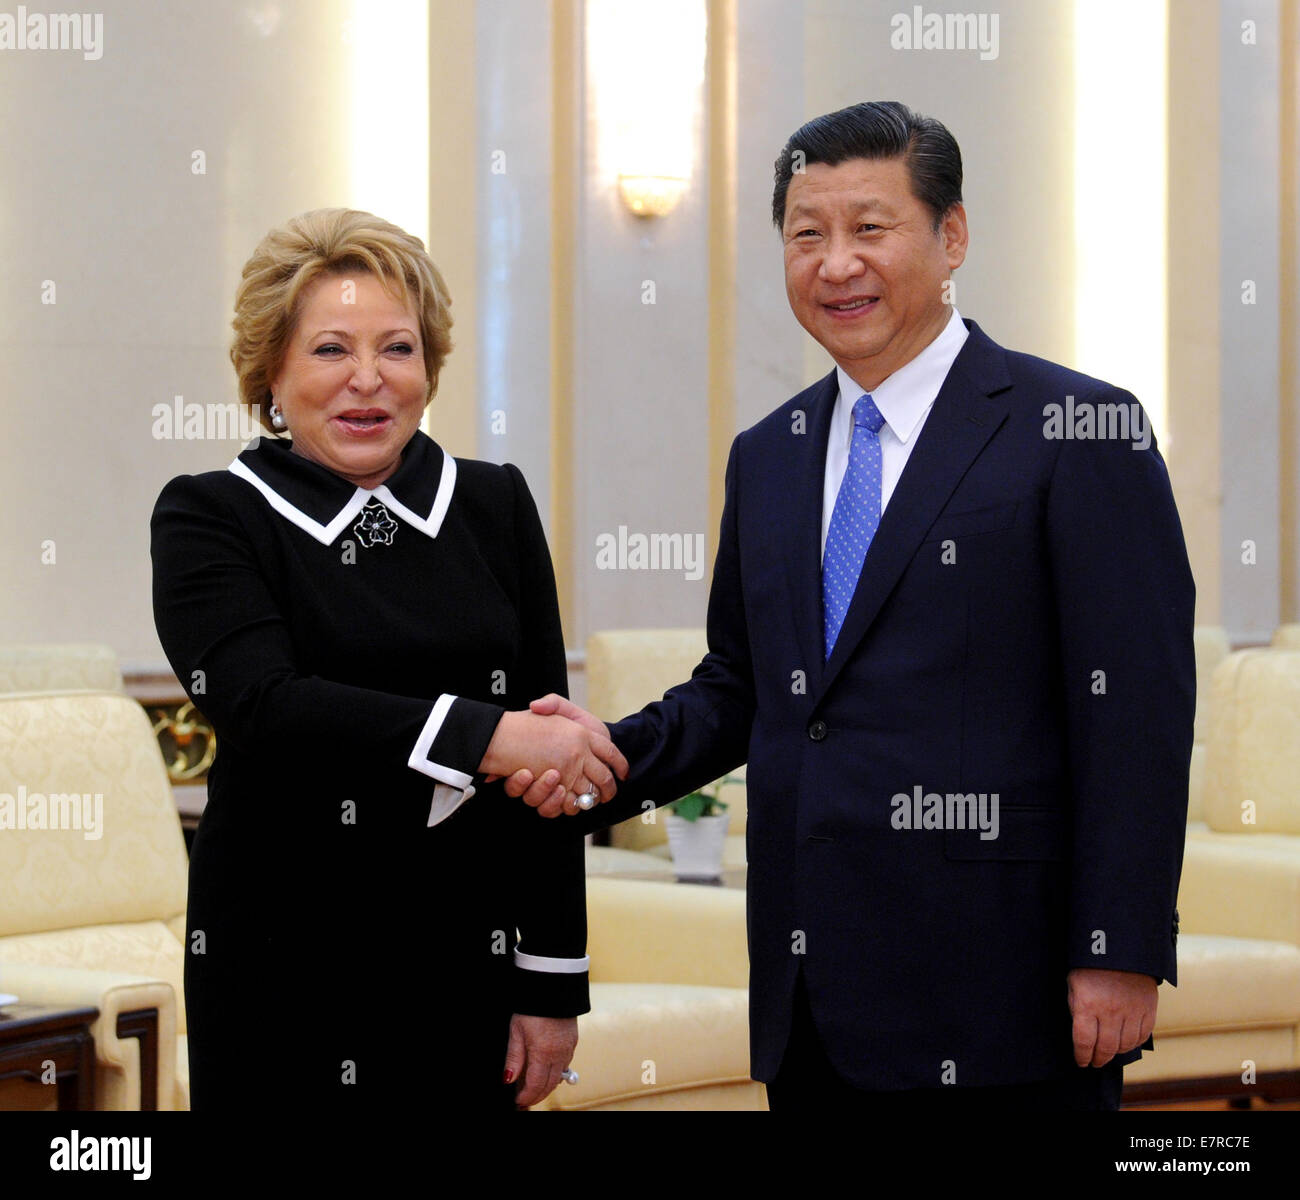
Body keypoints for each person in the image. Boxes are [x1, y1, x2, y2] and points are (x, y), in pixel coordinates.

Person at [510, 101, 1195, 1111]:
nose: (835, 265)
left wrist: (1118, 947)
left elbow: (1135, 709)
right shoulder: (771, 454)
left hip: (1002, 996)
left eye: (869, 229)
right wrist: (598, 761)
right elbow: (746, 686)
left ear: (950, 235)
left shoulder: (1075, 429)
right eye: (806, 235)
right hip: (812, 994)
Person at [151, 208, 626, 1113]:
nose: (368, 381)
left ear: (430, 367)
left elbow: (553, 758)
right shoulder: (211, 515)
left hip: (464, 957)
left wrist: (552, 983)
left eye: (398, 348)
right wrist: (491, 738)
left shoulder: (493, 504)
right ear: (272, 374)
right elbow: (266, 704)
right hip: (282, 958)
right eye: (330, 349)